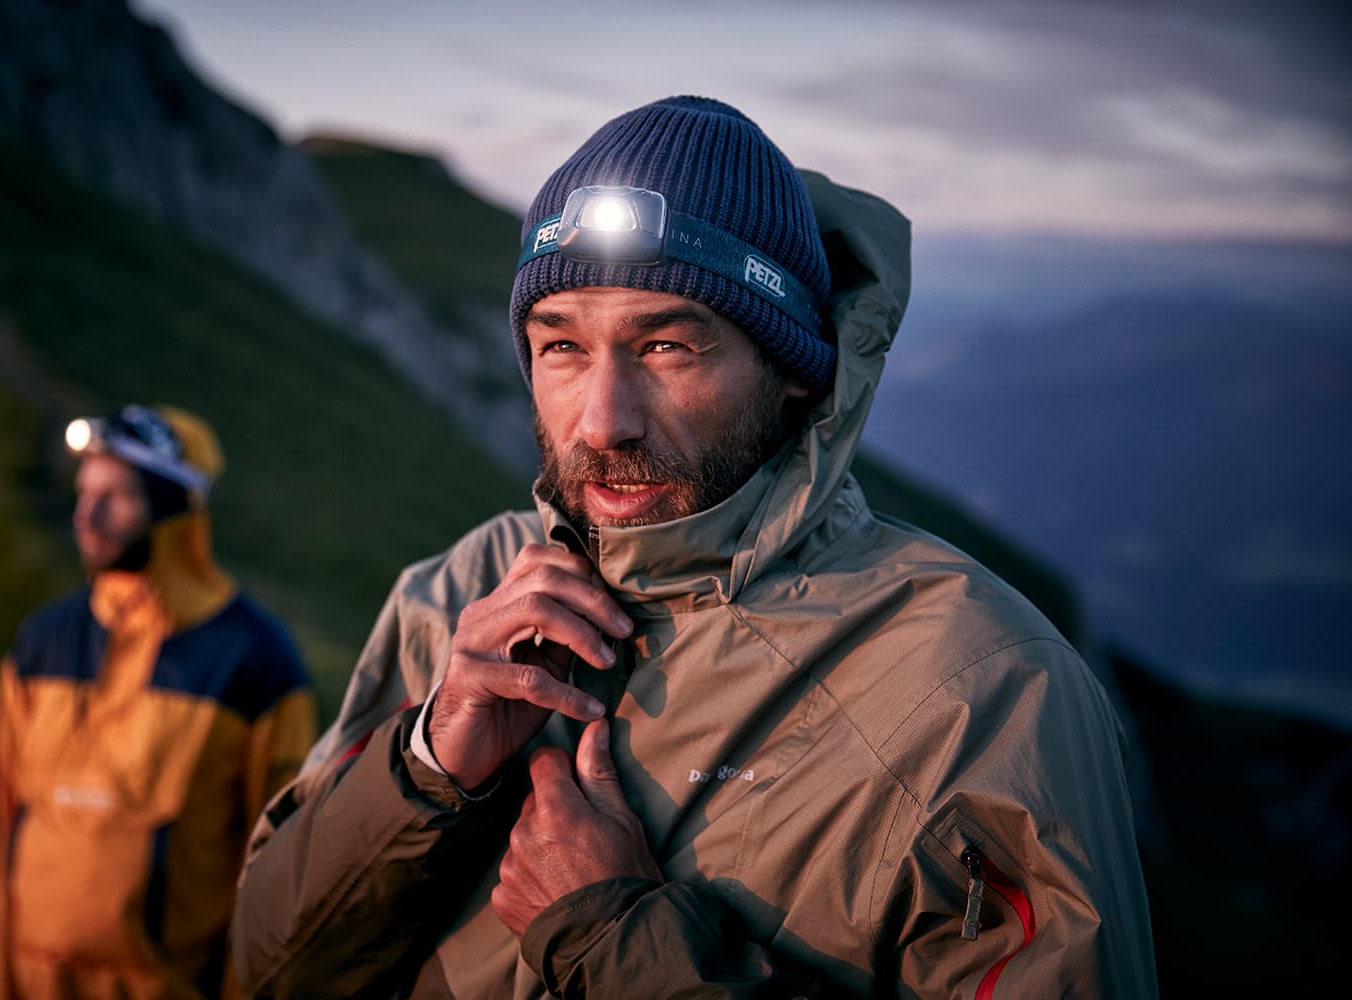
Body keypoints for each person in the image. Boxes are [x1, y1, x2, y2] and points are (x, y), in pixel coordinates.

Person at [229, 96, 1159, 997]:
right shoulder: (462, 594)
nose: (603, 422)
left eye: (669, 346)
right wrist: (428, 770)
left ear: (795, 370)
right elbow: (268, 969)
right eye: (561, 348)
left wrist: (615, 938)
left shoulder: (981, 692)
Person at [0, 404, 318, 999]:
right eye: (85, 492)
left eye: (116, 497)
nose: (87, 515)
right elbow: (9, 828)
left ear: (170, 512)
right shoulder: (41, 644)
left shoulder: (255, 662)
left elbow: (273, 870)